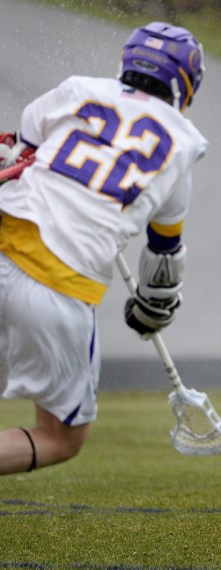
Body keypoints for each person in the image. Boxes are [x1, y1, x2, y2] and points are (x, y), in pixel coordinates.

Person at [0, 22, 207, 475]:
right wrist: (154, 310)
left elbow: (22, 147)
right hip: (58, 282)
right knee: (59, 437)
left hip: (6, 234)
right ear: (186, 82)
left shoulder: (79, 90)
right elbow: (164, 256)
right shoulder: (182, 146)